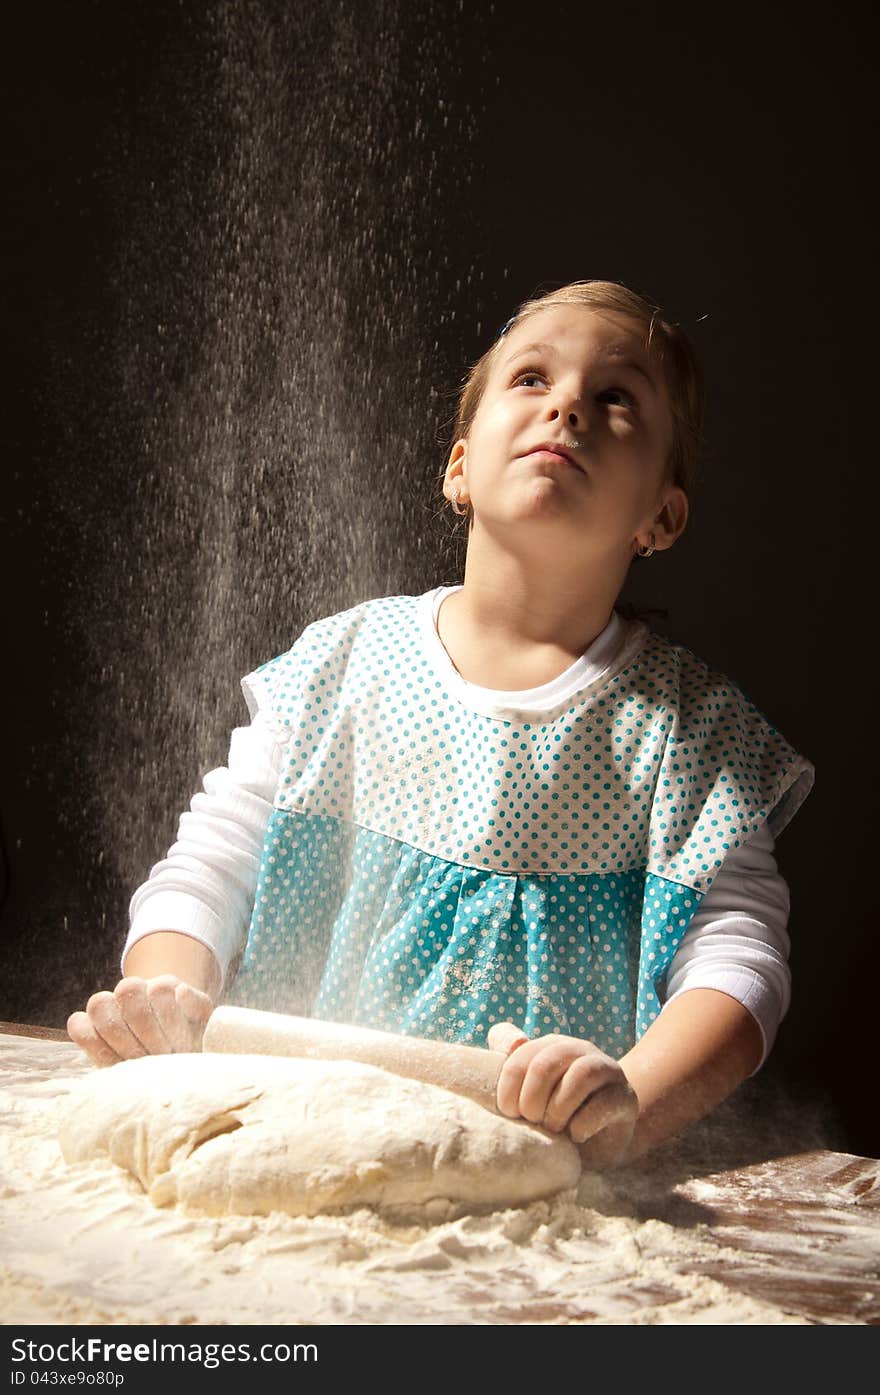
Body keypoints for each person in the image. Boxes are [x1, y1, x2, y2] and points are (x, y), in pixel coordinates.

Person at [67, 279, 814, 1169]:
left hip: (551, 1180)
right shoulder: (340, 667)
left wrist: (632, 1102)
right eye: (532, 378)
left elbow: (740, 963)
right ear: (460, 466)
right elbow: (212, 863)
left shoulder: (693, 736)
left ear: (662, 513)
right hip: (304, 1139)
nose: (568, 403)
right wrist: (166, 995)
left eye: (616, 398)